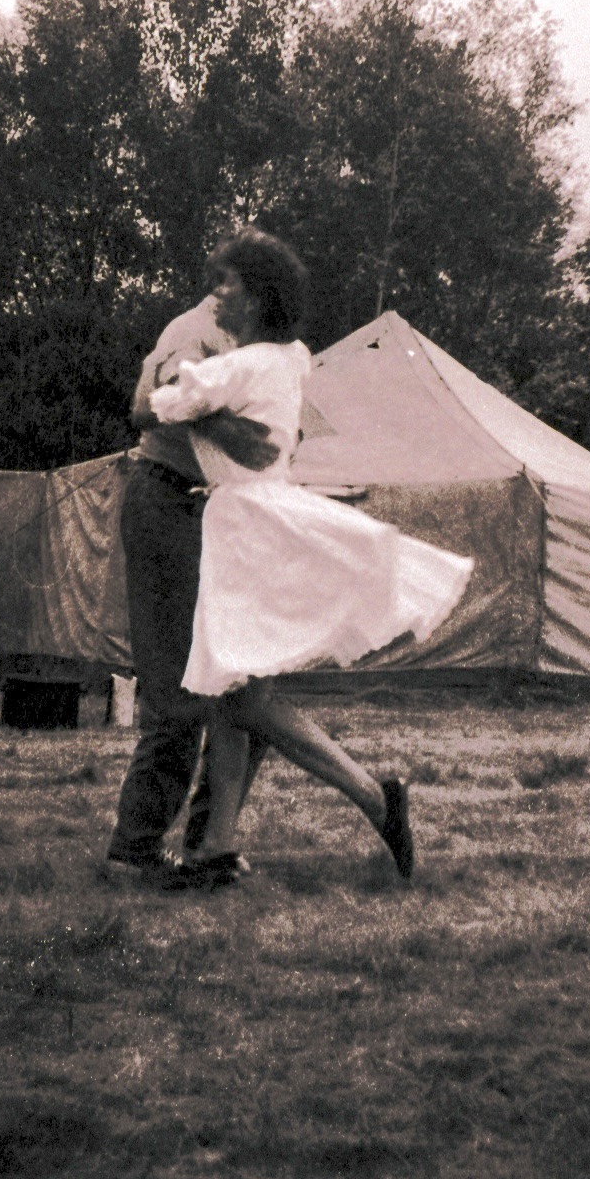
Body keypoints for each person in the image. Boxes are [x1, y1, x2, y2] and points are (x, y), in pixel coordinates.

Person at [145, 229, 473, 884]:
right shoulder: (294, 356)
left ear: (259, 295)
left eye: (227, 282)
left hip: (243, 524)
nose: (217, 293)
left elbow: (153, 404)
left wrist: (167, 384)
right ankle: (214, 845)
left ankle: (376, 797)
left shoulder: (235, 367)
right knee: (237, 689)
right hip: (265, 512)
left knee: (239, 698)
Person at [106, 273, 279, 887]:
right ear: (234, 283)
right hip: (168, 502)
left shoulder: (255, 345)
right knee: (180, 690)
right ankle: (137, 849)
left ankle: (209, 844)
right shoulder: (195, 334)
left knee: (245, 686)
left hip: (224, 511)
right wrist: (244, 432)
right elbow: (145, 410)